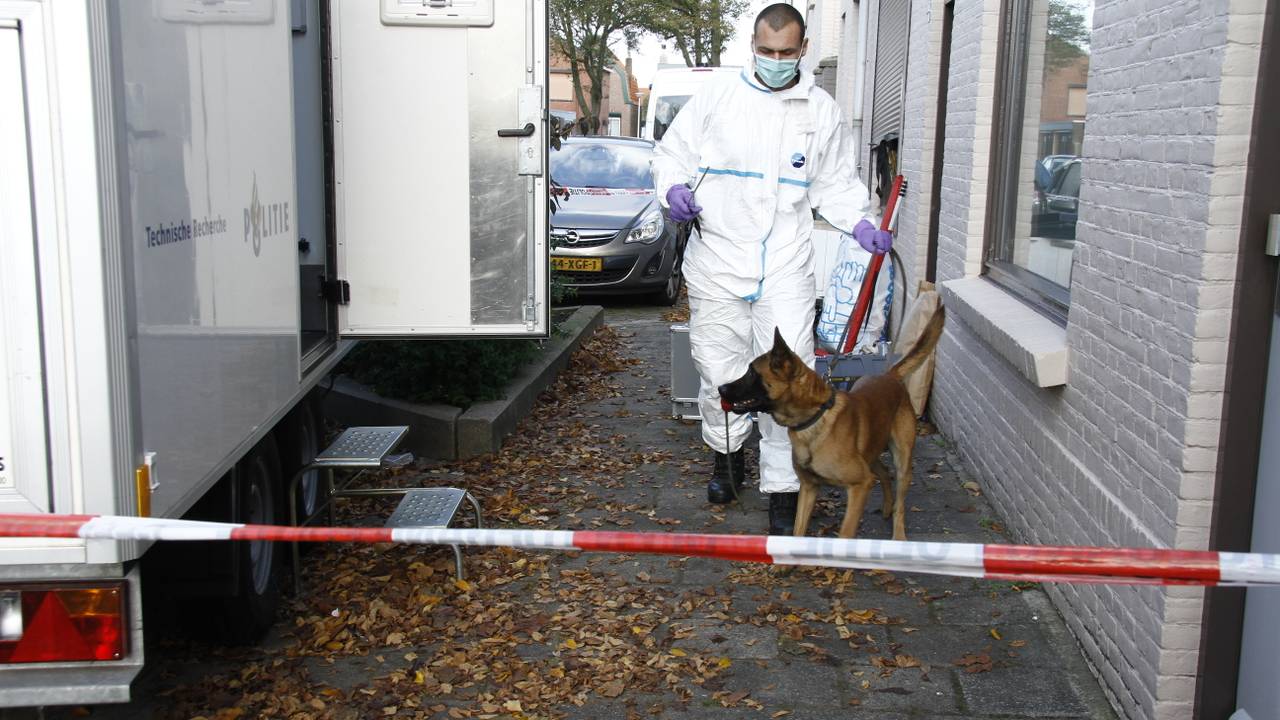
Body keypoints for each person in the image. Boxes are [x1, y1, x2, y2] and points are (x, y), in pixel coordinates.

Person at [652, 3, 892, 535]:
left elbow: (834, 183)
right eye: (767, 51)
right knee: (719, 368)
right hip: (718, 259)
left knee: (794, 380)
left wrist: (859, 223)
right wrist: (673, 190)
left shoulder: (819, 109)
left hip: (784, 262)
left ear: (803, 50)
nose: (777, 61)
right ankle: (728, 458)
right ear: (752, 47)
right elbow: (671, 155)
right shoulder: (717, 98)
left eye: (787, 53)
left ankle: (784, 489)